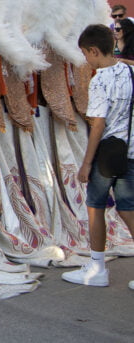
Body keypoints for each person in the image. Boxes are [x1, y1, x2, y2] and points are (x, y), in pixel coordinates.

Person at [62, 24, 134, 288]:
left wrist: (86, 162)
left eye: (85, 54)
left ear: (94, 51)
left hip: (106, 154)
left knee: (95, 207)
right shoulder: (131, 71)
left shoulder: (100, 80)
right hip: (131, 152)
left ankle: (97, 268)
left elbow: (98, 125)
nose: (85, 60)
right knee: (128, 209)